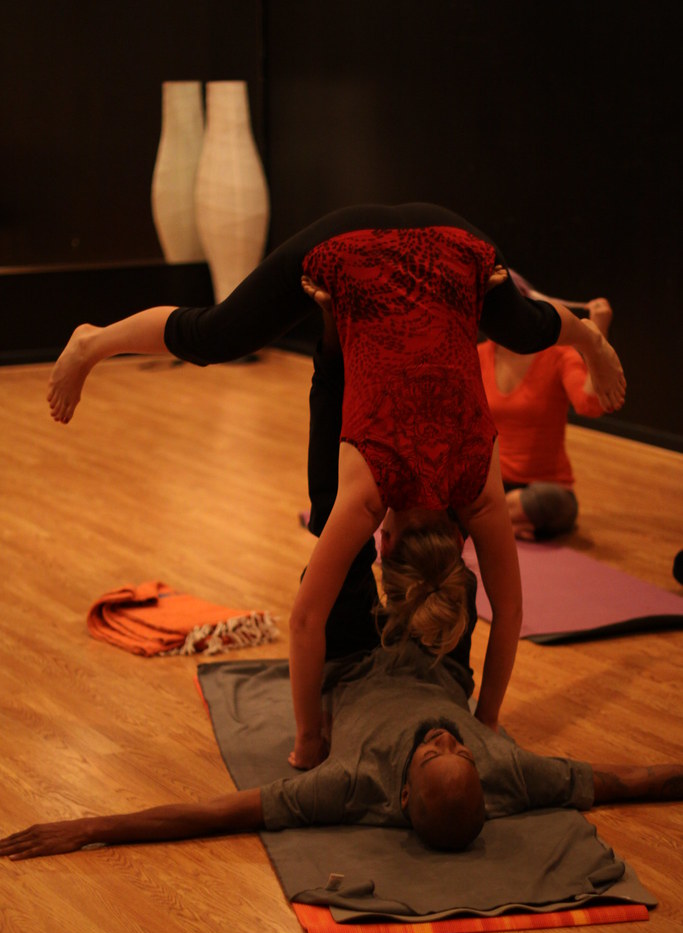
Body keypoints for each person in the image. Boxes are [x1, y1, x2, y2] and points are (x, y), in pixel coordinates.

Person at [46, 204, 626, 768]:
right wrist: (308, 742)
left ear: (457, 546)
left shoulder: (478, 488)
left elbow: (511, 613)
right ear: (388, 546)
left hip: (454, 237)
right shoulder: (369, 493)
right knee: (215, 334)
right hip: (348, 251)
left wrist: (492, 718)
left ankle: (589, 340)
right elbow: (303, 621)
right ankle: (90, 341)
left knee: (524, 329)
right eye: (380, 551)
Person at [1, 639, 680, 860]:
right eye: (457, 749)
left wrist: (88, 826)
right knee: (440, 534)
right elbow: (633, 779)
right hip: (438, 653)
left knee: (342, 529)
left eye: (432, 753)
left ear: (405, 794)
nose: (445, 737)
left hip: (353, 656)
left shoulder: (351, 785)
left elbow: (213, 814)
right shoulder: (509, 773)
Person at [478, 272, 614, 539]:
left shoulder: (558, 355)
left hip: (545, 489)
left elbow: (591, 405)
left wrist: (597, 338)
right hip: (492, 486)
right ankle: (505, 522)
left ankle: (490, 521)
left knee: (542, 501)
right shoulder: (480, 354)